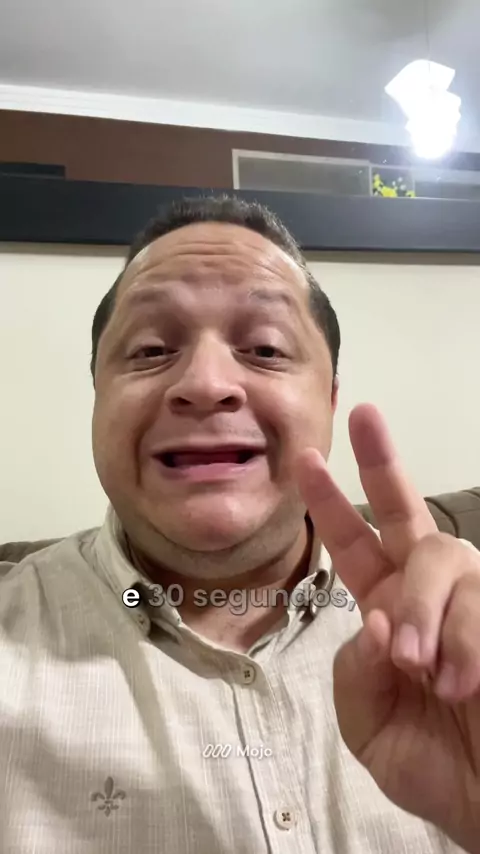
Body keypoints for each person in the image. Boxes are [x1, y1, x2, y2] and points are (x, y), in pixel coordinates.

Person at [0, 195, 479, 854]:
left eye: (264, 348)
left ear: (330, 400)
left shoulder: (458, 636)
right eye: (150, 349)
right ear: (97, 398)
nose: (205, 383)